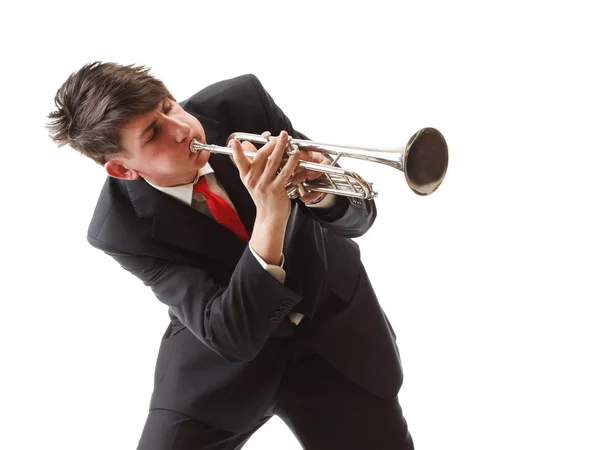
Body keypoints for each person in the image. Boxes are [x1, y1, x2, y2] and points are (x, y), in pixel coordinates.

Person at [47, 62, 414, 449]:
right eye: (154, 133)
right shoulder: (118, 229)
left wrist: (322, 191)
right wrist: (270, 216)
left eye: (168, 106)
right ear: (123, 169)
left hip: (334, 333)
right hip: (224, 367)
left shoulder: (240, 103)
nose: (183, 129)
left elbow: (360, 218)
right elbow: (231, 335)